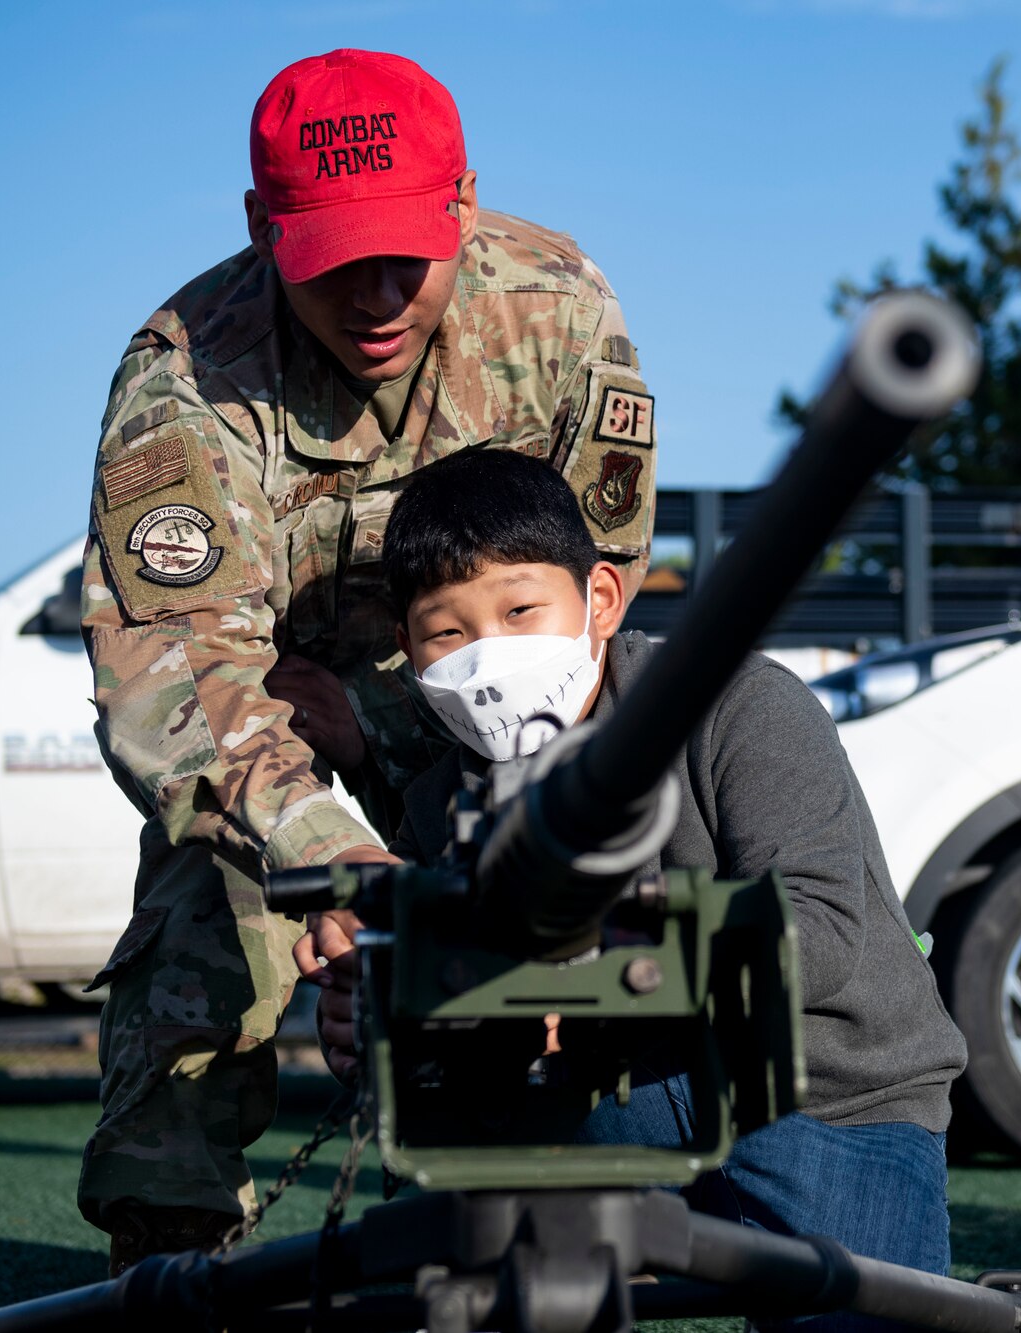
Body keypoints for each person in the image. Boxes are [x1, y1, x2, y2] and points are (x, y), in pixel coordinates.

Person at [76, 49, 656, 1272]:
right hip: (263, 718)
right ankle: (167, 1249)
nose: (380, 294)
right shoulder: (187, 373)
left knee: (572, 862)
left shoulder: (557, 309)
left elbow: (585, 592)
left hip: (473, 689)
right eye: (335, 260)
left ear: (463, 202)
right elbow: (173, 681)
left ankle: (576, 1173)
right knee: (207, 893)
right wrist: (335, 859)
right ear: (260, 227)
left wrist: (397, 734)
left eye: (409, 250)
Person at [301, 450, 969, 1305]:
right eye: (447, 632)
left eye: (519, 609)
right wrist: (379, 1007)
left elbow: (819, 938)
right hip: (610, 1094)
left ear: (602, 600)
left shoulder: (742, 704)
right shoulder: (440, 801)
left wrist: (561, 980)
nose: (488, 658)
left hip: (828, 1087)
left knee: (859, 1321)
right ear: (408, 651)